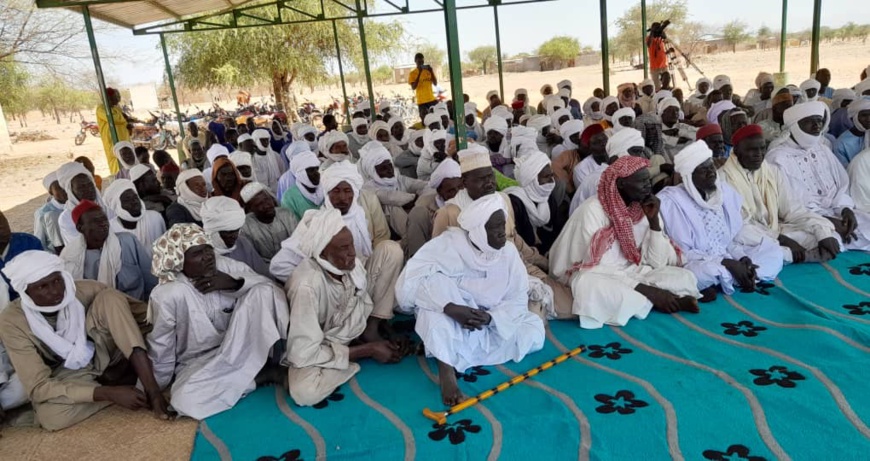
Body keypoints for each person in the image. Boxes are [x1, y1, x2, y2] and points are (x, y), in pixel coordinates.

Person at [396, 194, 545, 405]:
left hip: (489, 323)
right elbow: (409, 286)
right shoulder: (447, 245)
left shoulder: (508, 253)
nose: (502, 233)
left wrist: (490, 318)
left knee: (535, 331)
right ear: (478, 230)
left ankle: (452, 351)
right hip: (453, 318)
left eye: (503, 225)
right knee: (433, 306)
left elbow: (517, 298)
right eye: (494, 228)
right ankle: (446, 369)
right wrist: (451, 307)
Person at [0, 251, 172, 431]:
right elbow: (39, 386)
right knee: (52, 417)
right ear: (26, 292)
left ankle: (147, 388)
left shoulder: (85, 289)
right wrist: (106, 394)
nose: (55, 291)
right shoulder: (12, 321)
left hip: (106, 352)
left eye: (57, 280)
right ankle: (118, 387)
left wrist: (155, 393)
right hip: (68, 372)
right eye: (43, 287)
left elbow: (144, 319)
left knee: (110, 299)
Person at [147, 224, 289, 420]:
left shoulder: (227, 266)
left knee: (265, 291)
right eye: (197, 253)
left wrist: (233, 283)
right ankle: (260, 376)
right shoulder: (169, 294)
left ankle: (270, 362)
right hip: (199, 362)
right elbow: (161, 345)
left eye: (208, 249)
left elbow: (273, 291)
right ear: (179, 259)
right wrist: (154, 389)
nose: (207, 256)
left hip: (242, 347)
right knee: (183, 400)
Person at [549, 156, 702, 329]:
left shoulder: (643, 208)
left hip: (631, 272)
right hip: (594, 274)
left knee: (684, 277)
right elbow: (592, 267)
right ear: (621, 184)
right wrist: (646, 289)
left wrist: (654, 223)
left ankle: (651, 301)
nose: (648, 186)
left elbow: (656, 263)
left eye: (648, 180)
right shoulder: (592, 211)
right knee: (592, 287)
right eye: (641, 181)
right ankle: (659, 299)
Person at [432, 145, 571, 320]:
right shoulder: (450, 213)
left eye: (490, 176)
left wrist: (545, 263)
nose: (489, 182)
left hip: (519, 267)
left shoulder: (502, 199)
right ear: (464, 182)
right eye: (480, 179)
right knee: (525, 316)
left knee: (571, 306)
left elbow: (514, 239)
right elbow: (438, 261)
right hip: (478, 281)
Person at [283, 209, 404, 406]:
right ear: (322, 252)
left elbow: (363, 287)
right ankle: (353, 351)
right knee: (304, 392)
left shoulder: (348, 263)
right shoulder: (307, 286)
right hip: (326, 339)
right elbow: (303, 351)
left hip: (353, 316)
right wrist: (369, 350)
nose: (352, 253)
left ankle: (369, 331)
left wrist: (385, 328)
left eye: (352, 244)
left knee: (390, 250)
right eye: (344, 247)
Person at [658, 141, 783, 301]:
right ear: (689, 176)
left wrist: (741, 258)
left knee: (774, 252)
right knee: (703, 273)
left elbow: (728, 239)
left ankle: (737, 276)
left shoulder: (724, 193)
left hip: (727, 255)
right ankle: (737, 276)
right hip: (696, 263)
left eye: (711, 167)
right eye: (703, 170)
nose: (711, 173)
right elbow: (683, 252)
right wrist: (727, 263)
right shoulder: (672, 202)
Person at [720, 124, 840, 264]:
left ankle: (790, 254)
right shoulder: (723, 179)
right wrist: (782, 239)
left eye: (762, 148)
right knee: (741, 241)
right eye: (752, 150)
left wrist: (822, 234)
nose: (759, 154)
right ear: (737, 151)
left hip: (775, 229)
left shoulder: (772, 171)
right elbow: (738, 225)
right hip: (750, 235)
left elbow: (793, 210)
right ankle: (792, 255)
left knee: (825, 234)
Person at [767, 101, 870, 251]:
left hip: (835, 210)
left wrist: (845, 209)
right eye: (809, 122)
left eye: (819, 121)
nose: (817, 126)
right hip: (802, 219)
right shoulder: (778, 158)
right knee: (819, 239)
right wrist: (827, 222)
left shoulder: (823, 149)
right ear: (795, 125)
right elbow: (788, 208)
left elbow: (841, 185)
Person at [60, 201, 157, 302]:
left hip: (138, 305)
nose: (103, 223)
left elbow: (150, 277)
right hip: (101, 313)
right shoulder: (70, 257)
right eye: (95, 221)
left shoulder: (128, 241)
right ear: (80, 228)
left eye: (104, 218)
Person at [358, 142, 428, 239]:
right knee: (392, 207)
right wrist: (415, 197)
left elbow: (420, 185)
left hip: (409, 216)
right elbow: (391, 197)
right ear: (373, 171)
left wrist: (420, 196)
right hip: (385, 227)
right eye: (383, 168)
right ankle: (411, 238)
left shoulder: (398, 179)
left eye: (389, 165)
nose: (389, 170)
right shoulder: (368, 188)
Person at [504, 151, 564, 254]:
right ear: (531, 179)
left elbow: (558, 227)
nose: (551, 181)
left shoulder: (547, 197)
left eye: (551, 175)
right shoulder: (515, 202)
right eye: (546, 177)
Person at [201, 196, 272, 278]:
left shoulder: (242, 242)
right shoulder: (200, 254)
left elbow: (262, 272)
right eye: (229, 232)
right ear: (213, 232)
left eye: (237, 230)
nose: (235, 236)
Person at [405, 159, 463, 259]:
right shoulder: (424, 203)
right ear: (439, 191)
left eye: (460, 187)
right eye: (451, 190)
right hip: (430, 250)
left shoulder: (467, 199)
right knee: (417, 213)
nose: (457, 193)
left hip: (461, 251)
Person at [241, 182, 298, 262]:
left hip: (293, 262)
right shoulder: (246, 227)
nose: (267, 205)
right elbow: (253, 258)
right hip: (265, 268)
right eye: (260, 204)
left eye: (267, 199)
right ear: (250, 209)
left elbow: (298, 243)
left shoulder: (286, 215)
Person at [102, 179, 166, 251]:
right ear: (117, 206)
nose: (134, 201)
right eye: (127, 200)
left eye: (135, 197)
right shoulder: (111, 229)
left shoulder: (155, 218)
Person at [56, 162, 108, 246]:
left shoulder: (105, 206)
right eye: (81, 187)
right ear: (71, 191)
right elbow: (85, 245)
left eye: (90, 184)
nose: (88, 189)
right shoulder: (66, 218)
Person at [1, 210, 43, 302]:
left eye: (4, 222)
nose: (3, 228)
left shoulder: (29, 243)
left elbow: (43, 277)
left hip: (34, 299)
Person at [96, 88, 132, 176]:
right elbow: (114, 118)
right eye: (116, 97)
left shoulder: (116, 108)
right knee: (117, 165)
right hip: (112, 142)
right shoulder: (101, 109)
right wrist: (125, 119)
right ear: (108, 98)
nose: (118, 99)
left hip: (124, 141)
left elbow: (125, 119)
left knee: (129, 164)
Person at [281, 151, 324, 221]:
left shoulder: (325, 188)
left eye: (317, 169)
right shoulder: (289, 198)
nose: (317, 173)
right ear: (300, 174)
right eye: (311, 170)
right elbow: (293, 226)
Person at [34, 172, 67, 255]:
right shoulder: (42, 213)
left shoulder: (75, 204)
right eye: (58, 188)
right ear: (51, 192)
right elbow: (40, 240)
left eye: (64, 185)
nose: (63, 190)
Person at [572, 125, 610, 193]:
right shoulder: (581, 169)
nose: (603, 144)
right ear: (589, 147)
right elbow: (587, 193)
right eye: (597, 142)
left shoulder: (618, 157)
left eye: (604, 139)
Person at [659, 97, 698, 163]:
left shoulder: (681, 126)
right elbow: (658, 140)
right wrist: (676, 140)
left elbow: (699, 133)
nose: (675, 113)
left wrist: (681, 133)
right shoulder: (655, 128)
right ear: (662, 113)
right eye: (670, 111)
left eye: (677, 110)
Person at [833, 98, 870, 166]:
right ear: (853, 118)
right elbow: (845, 171)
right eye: (864, 115)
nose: (868, 119)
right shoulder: (841, 144)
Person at [250, 128, 285, 193]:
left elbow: (282, 171)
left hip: (279, 190)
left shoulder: (275, 155)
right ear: (255, 141)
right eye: (262, 140)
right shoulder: (252, 160)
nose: (266, 142)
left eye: (267, 140)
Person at [410, 53, 438, 121]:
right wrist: (419, 73)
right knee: (425, 121)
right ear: (415, 61)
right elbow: (413, 87)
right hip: (422, 102)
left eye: (422, 61)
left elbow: (435, 83)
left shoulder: (428, 71)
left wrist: (431, 71)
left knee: (435, 119)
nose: (421, 63)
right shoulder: (412, 73)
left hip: (431, 99)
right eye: (419, 62)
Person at [646, 22, 669, 91]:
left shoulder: (661, 39)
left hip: (663, 65)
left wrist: (661, 31)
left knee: (666, 84)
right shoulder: (648, 38)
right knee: (656, 86)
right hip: (654, 66)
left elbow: (665, 37)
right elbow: (648, 44)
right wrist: (652, 33)